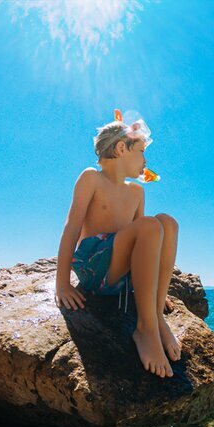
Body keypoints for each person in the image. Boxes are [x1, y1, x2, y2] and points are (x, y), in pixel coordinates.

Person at [54, 111, 180, 378]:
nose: (146, 160)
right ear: (121, 148)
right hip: (95, 269)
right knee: (149, 225)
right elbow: (71, 228)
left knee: (167, 223)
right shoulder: (91, 178)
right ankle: (145, 329)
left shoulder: (137, 191)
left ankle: (155, 315)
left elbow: (147, 243)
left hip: (121, 272)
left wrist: (156, 288)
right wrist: (62, 284)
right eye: (142, 151)